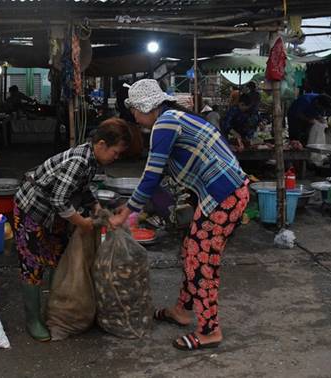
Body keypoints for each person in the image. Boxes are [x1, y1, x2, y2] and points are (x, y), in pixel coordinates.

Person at [109, 79, 249, 351]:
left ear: (148, 106)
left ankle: (210, 330)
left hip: (224, 196)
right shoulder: (174, 118)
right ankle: (182, 311)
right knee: (191, 252)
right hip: (220, 194)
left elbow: (150, 176)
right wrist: (141, 208)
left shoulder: (165, 124)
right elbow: (161, 181)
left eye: (136, 110)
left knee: (202, 263)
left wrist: (127, 213)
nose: (135, 117)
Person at [14, 117, 131, 341]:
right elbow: (59, 200)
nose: (116, 158)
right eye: (115, 152)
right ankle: (33, 320)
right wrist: (82, 223)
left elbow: (82, 187)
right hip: (33, 210)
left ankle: (56, 308)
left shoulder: (92, 160)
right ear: (101, 145)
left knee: (58, 258)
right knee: (33, 265)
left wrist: (95, 207)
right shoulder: (79, 160)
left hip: (55, 215)